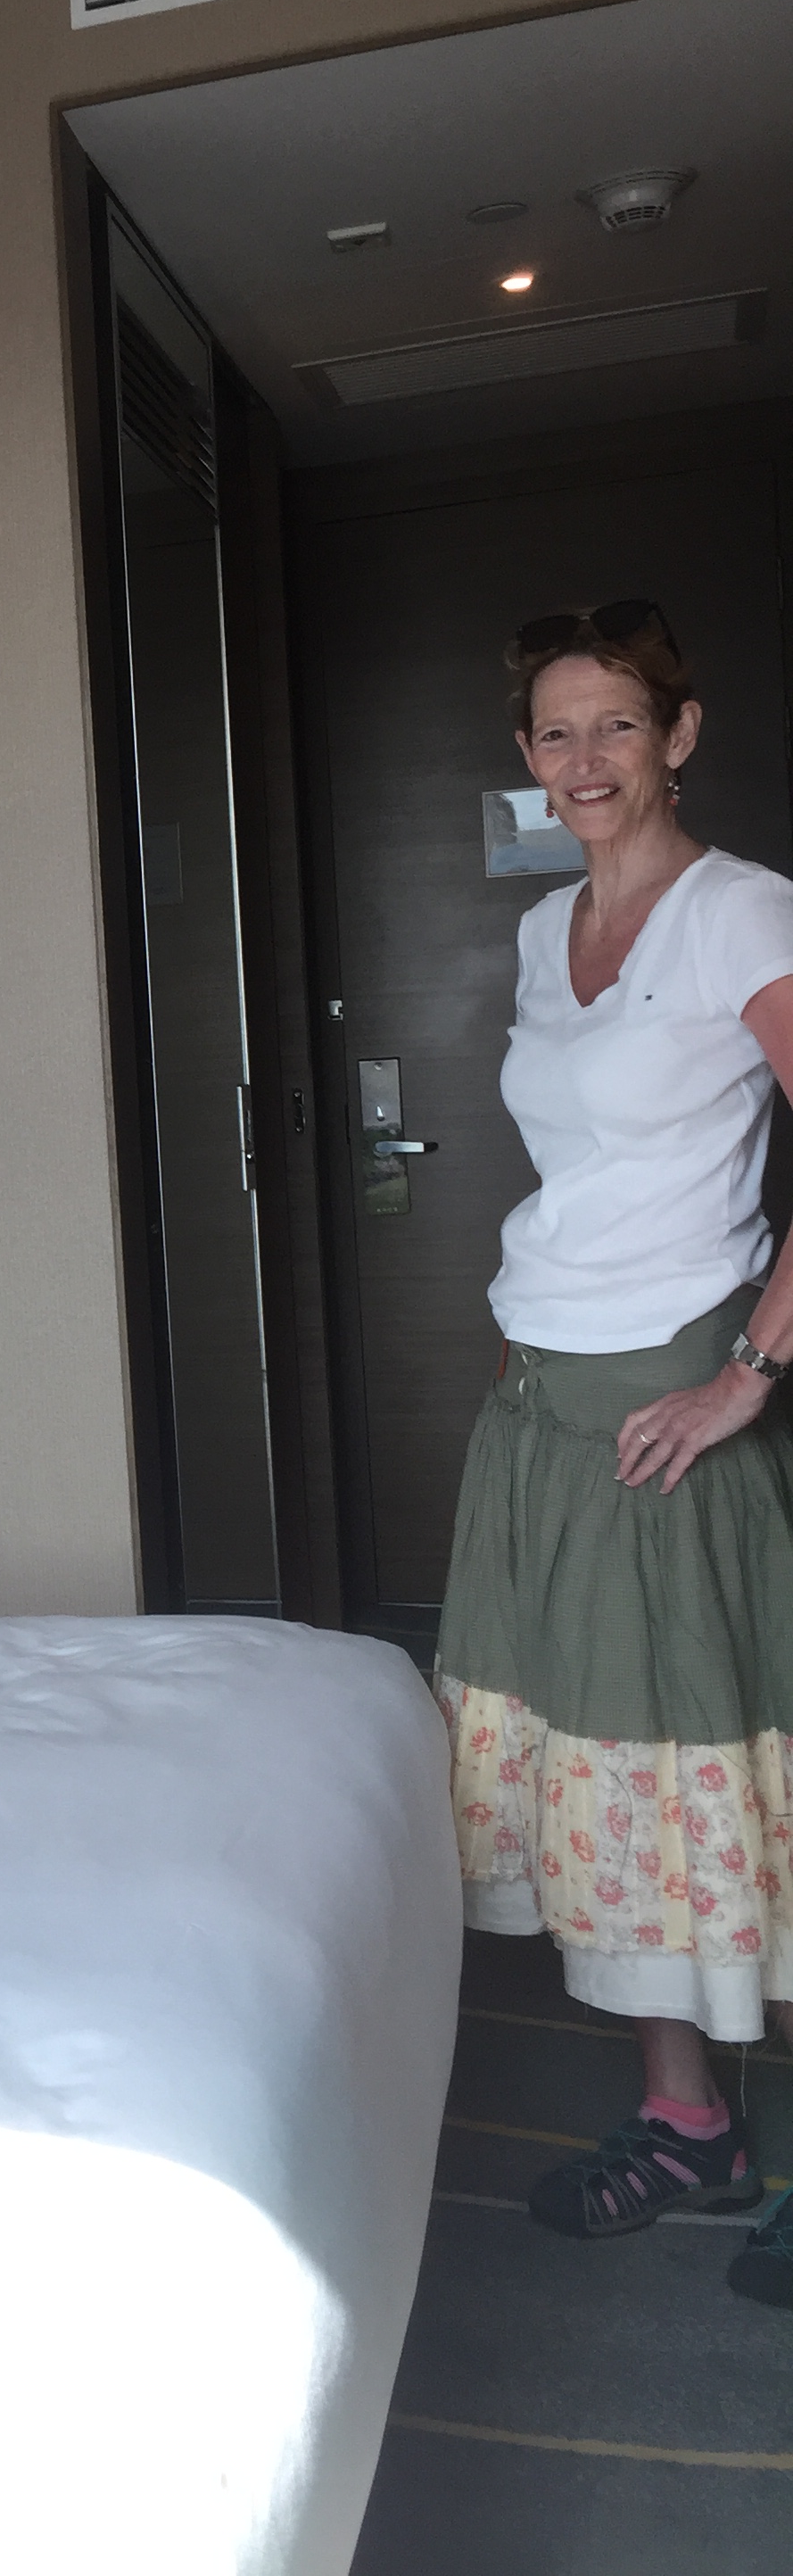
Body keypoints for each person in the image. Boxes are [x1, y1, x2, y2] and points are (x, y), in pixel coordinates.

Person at [435, 599, 793, 2307]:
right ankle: (686, 2119)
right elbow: (581, 1164)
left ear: (681, 735)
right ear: (530, 757)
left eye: (620, 725)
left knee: (724, 1757)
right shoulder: (545, 929)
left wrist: (749, 1375)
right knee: (611, 1768)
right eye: (558, 732)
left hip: (670, 1405)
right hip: (545, 1406)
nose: (587, 759)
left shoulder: (745, 914)